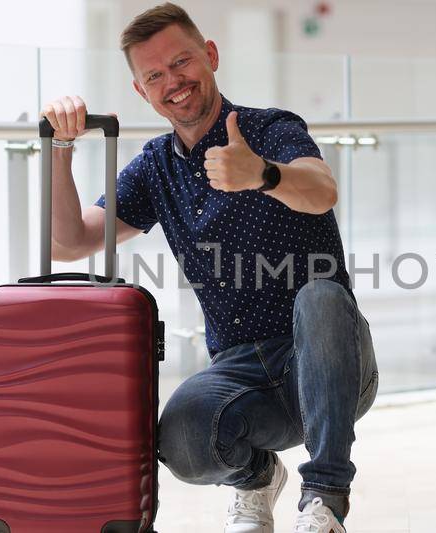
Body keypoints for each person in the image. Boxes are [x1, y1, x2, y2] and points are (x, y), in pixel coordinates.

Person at [40, 3, 377, 532]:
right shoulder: (155, 167)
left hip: (328, 359)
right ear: (141, 91)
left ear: (210, 56)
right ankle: (257, 478)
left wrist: (262, 174)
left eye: (182, 62)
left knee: (319, 295)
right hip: (243, 371)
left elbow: (322, 191)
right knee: (182, 442)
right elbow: (69, 242)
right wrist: (59, 147)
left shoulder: (270, 129)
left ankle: (325, 500)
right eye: (155, 75)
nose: (173, 82)